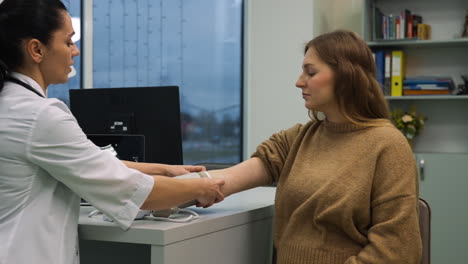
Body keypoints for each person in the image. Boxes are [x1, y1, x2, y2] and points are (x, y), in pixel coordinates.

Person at [0, 1, 224, 263]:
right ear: (36, 49)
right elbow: (137, 192)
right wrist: (199, 188)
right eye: (68, 41)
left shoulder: (13, 104)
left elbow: (92, 162)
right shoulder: (40, 116)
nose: (76, 51)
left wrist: (165, 170)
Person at [208, 30, 422, 263]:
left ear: (346, 76)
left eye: (310, 72)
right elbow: (224, 180)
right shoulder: (298, 139)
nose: (299, 82)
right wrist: (170, 183)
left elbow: (397, 249)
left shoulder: (388, 145)